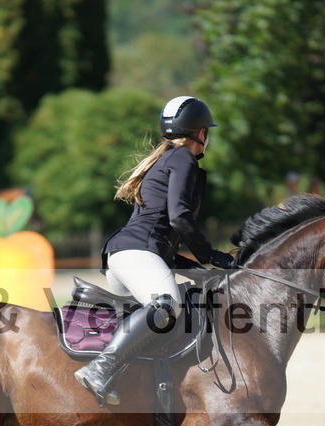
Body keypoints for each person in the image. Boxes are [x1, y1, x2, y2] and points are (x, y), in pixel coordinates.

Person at [74, 95, 235, 406]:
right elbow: (179, 217)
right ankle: (99, 370)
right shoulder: (183, 159)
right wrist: (211, 255)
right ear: (201, 133)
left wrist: (198, 270)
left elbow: (163, 241)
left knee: (182, 310)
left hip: (128, 257)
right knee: (167, 305)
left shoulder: (164, 159)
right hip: (137, 255)